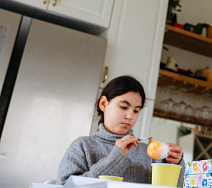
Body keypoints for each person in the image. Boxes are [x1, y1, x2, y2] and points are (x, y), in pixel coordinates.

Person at [56, 75, 185, 186]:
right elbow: (65, 187)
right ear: (103, 104)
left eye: (136, 110)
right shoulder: (82, 147)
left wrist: (175, 164)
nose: (130, 116)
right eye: (124, 107)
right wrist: (117, 157)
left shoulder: (151, 154)